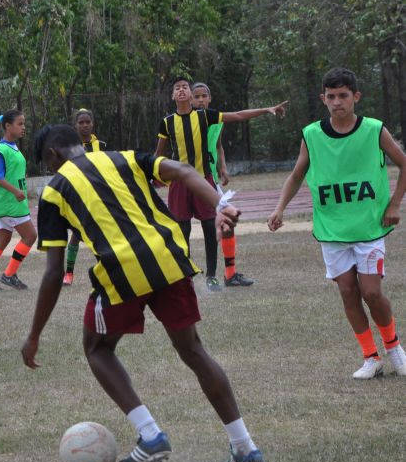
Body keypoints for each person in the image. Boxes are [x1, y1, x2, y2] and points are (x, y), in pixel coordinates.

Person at [24, 123, 264, 462]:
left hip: (122, 271)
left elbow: (52, 272)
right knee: (193, 350)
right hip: (170, 258)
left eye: (47, 165)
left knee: (97, 348)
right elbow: (182, 170)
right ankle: (245, 447)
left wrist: (34, 335)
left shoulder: (53, 191)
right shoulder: (124, 157)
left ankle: (150, 434)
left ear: (52, 155)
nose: (49, 170)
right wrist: (221, 205)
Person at [268, 67, 406, 379]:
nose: (337, 102)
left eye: (343, 95)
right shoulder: (312, 134)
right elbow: (296, 174)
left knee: (371, 292)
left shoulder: (374, 129)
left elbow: (403, 163)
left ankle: (394, 348)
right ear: (323, 99)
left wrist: (395, 203)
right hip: (332, 230)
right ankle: (371, 357)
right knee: (347, 291)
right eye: (331, 96)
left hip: (369, 227)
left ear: (356, 97)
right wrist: (280, 209)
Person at [155, 76, 287, 292]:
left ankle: (212, 276)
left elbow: (237, 115)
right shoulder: (167, 122)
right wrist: (153, 175)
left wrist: (267, 109)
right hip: (180, 183)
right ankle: (184, 277)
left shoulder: (205, 116)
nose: (181, 90)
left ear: (189, 93)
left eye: (185, 87)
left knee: (209, 227)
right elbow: (158, 153)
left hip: (204, 180)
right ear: (172, 95)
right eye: (177, 88)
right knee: (181, 231)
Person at [191, 83, 254, 288]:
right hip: (190, 180)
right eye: (196, 96)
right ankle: (189, 278)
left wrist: (223, 167)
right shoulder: (186, 121)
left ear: (210, 99)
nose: (200, 100)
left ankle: (227, 274)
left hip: (209, 180)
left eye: (204, 96)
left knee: (224, 221)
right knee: (182, 230)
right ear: (190, 100)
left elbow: (218, 145)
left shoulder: (216, 120)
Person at [0, 110, 36, 291]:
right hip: (10, 203)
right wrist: (17, 191)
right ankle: (9, 274)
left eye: (23, 123)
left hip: (5, 203)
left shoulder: (11, 146)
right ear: (8, 126)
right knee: (30, 236)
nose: (23, 127)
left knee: (3, 238)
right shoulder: (2, 149)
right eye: (20, 124)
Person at [63, 108, 107, 287]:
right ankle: (69, 272)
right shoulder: (70, 147)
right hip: (79, 196)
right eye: (81, 122)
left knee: (103, 234)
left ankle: (105, 270)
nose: (84, 125)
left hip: (99, 196)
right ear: (75, 125)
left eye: (87, 122)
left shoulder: (102, 145)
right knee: (76, 234)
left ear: (92, 123)